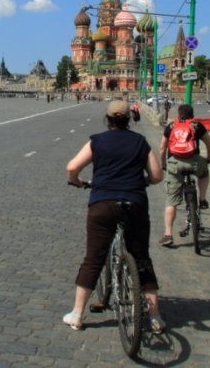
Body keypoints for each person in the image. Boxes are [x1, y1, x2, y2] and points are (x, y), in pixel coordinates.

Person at [64, 99, 166, 333]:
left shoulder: (97, 141)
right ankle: (155, 317)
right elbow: (157, 175)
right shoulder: (140, 142)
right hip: (135, 203)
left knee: (93, 259)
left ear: (108, 119)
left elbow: (71, 168)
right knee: (141, 258)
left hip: (103, 203)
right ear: (130, 118)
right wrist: (147, 181)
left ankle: (77, 314)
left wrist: (77, 183)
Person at [158, 104, 210, 247]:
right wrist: (209, 158)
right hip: (194, 161)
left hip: (175, 164)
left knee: (171, 201)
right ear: (192, 115)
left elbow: (162, 147)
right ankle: (202, 198)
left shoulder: (171, 126)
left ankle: (168, 234)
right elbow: (208, 143)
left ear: (179, 115)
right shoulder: (197, 125)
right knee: (204, 173)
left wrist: (163, 163)